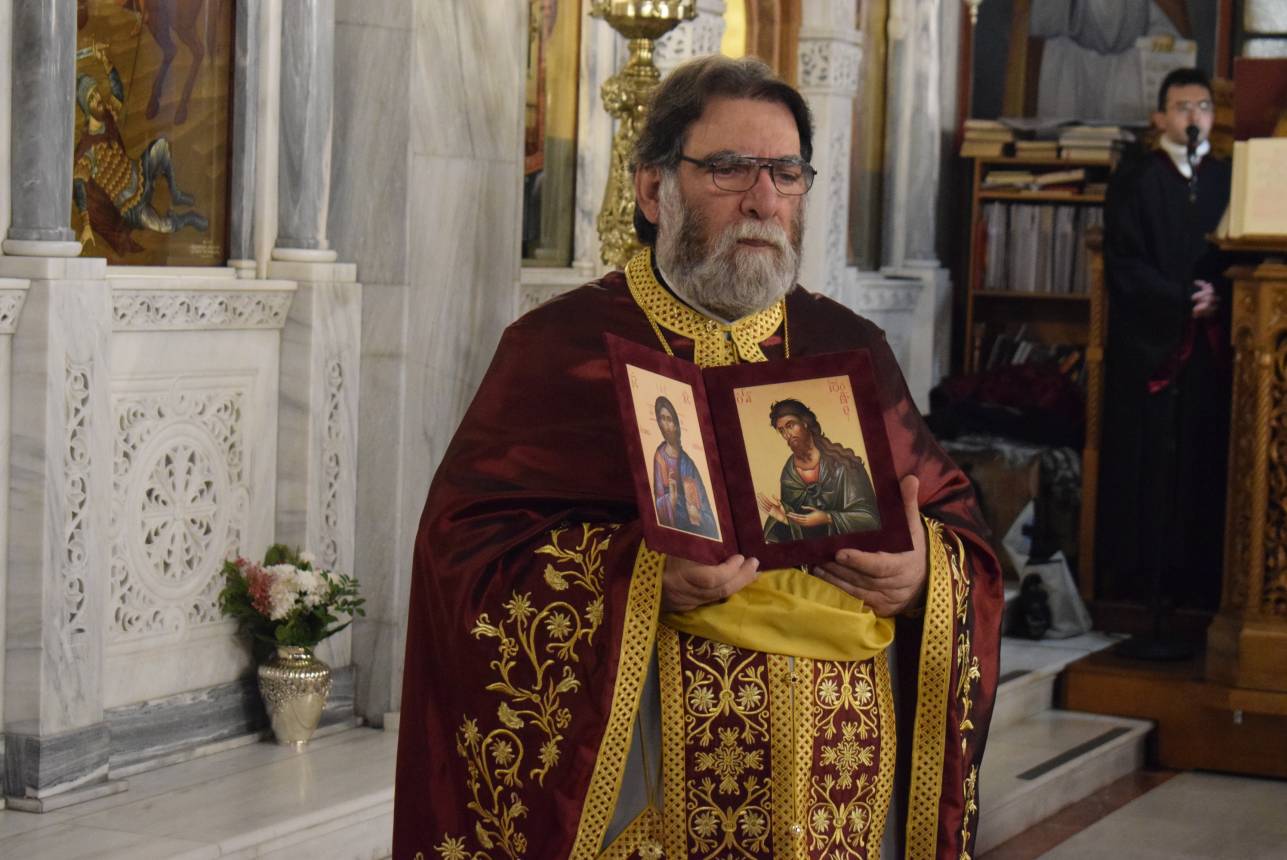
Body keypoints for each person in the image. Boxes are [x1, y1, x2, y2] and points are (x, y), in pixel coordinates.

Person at [393, 56, 1001, 859]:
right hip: (645, 797)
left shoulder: (848, 345)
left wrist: (924, 574)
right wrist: (639, 574)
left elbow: (957, 529)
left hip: (838, 801)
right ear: (653, 190)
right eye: (729, 169)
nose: (763, 200)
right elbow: (464, 557)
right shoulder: (560, 348)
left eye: (786, 173)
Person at [1096, 67, 1232, 613]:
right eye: (1182, 107)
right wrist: (1179, 299)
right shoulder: (1135, 180)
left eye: (1203, 107)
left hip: (1213, 345)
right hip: (1152, 348)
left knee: (1205, 457)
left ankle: (1199, 584)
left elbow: (1245, 258)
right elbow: (1124, 264)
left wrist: (1220, 297)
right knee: (1149, 460)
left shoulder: (1229, 179)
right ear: (1160, 118)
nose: (1194, 116)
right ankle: (1142, 585)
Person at [72, 45, 208, 257]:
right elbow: (79, 186)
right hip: (130, 206)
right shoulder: (86, 150)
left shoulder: (107, 117)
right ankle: (189, 219)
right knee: (162, 226)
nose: (97, 99)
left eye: (96, 93)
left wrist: (106, 62)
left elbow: (118, 93)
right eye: (91, 98)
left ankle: (175, 193)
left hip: (139, 174)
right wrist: (86, 224)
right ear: (85, 107)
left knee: (161, 147)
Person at [758, 398, 880, 541]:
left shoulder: (843, 463)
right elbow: (801, 536)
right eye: (782, 431)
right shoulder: (789, 475)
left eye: (790, 425)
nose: (787, 434)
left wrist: (828, 518)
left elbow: (871, 519)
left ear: (805, 422)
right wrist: (785, 519)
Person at [651, 396, 719, 539]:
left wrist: (698, 515)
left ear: (676, 425)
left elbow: (707, 514)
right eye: (661, 419)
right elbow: (657, 502)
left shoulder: (688, 464)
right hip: (674, 532)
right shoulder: (659, 457)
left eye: (669, 419)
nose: (665, 424)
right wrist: (671, 499)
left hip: (694, 530)